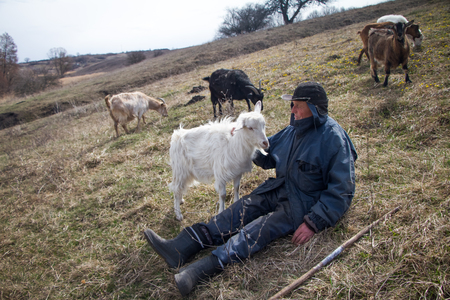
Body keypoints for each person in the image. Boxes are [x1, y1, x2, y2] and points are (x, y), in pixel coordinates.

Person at [144, 82, 358, 296]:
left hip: (301, 204)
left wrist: (314, 222)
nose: (292, 111)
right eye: (292, 105)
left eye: (297, 106)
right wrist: (242, 141)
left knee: (257, 230)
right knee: (239, 209)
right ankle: (180, 247)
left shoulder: (334, 139)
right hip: (278, 188)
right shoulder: (293, 131)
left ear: (315, 108)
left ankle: (198, 271)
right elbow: (266, 153)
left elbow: (342, 190)